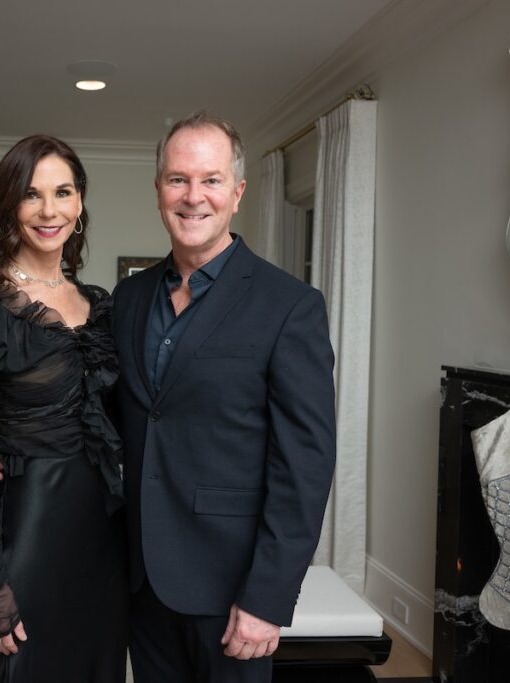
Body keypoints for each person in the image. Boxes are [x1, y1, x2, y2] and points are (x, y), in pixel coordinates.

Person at [111, 112, 337, 683]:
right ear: (159, 190)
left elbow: (305, 467)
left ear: (236, 193)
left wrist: (267, 597)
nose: (193, 197)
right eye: (177, 179)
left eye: (210, 180)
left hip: (232, 589)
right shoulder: (130, 297)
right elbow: (113, 418)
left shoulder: (290, 306)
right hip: (141, 579)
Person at [0, 134, 128, 682]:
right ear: (9, 205)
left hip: (108, 539)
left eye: (63, 192)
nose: (49, 210)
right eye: (32, 194)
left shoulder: (102, 306)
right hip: (33, 532)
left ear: (80, 201)